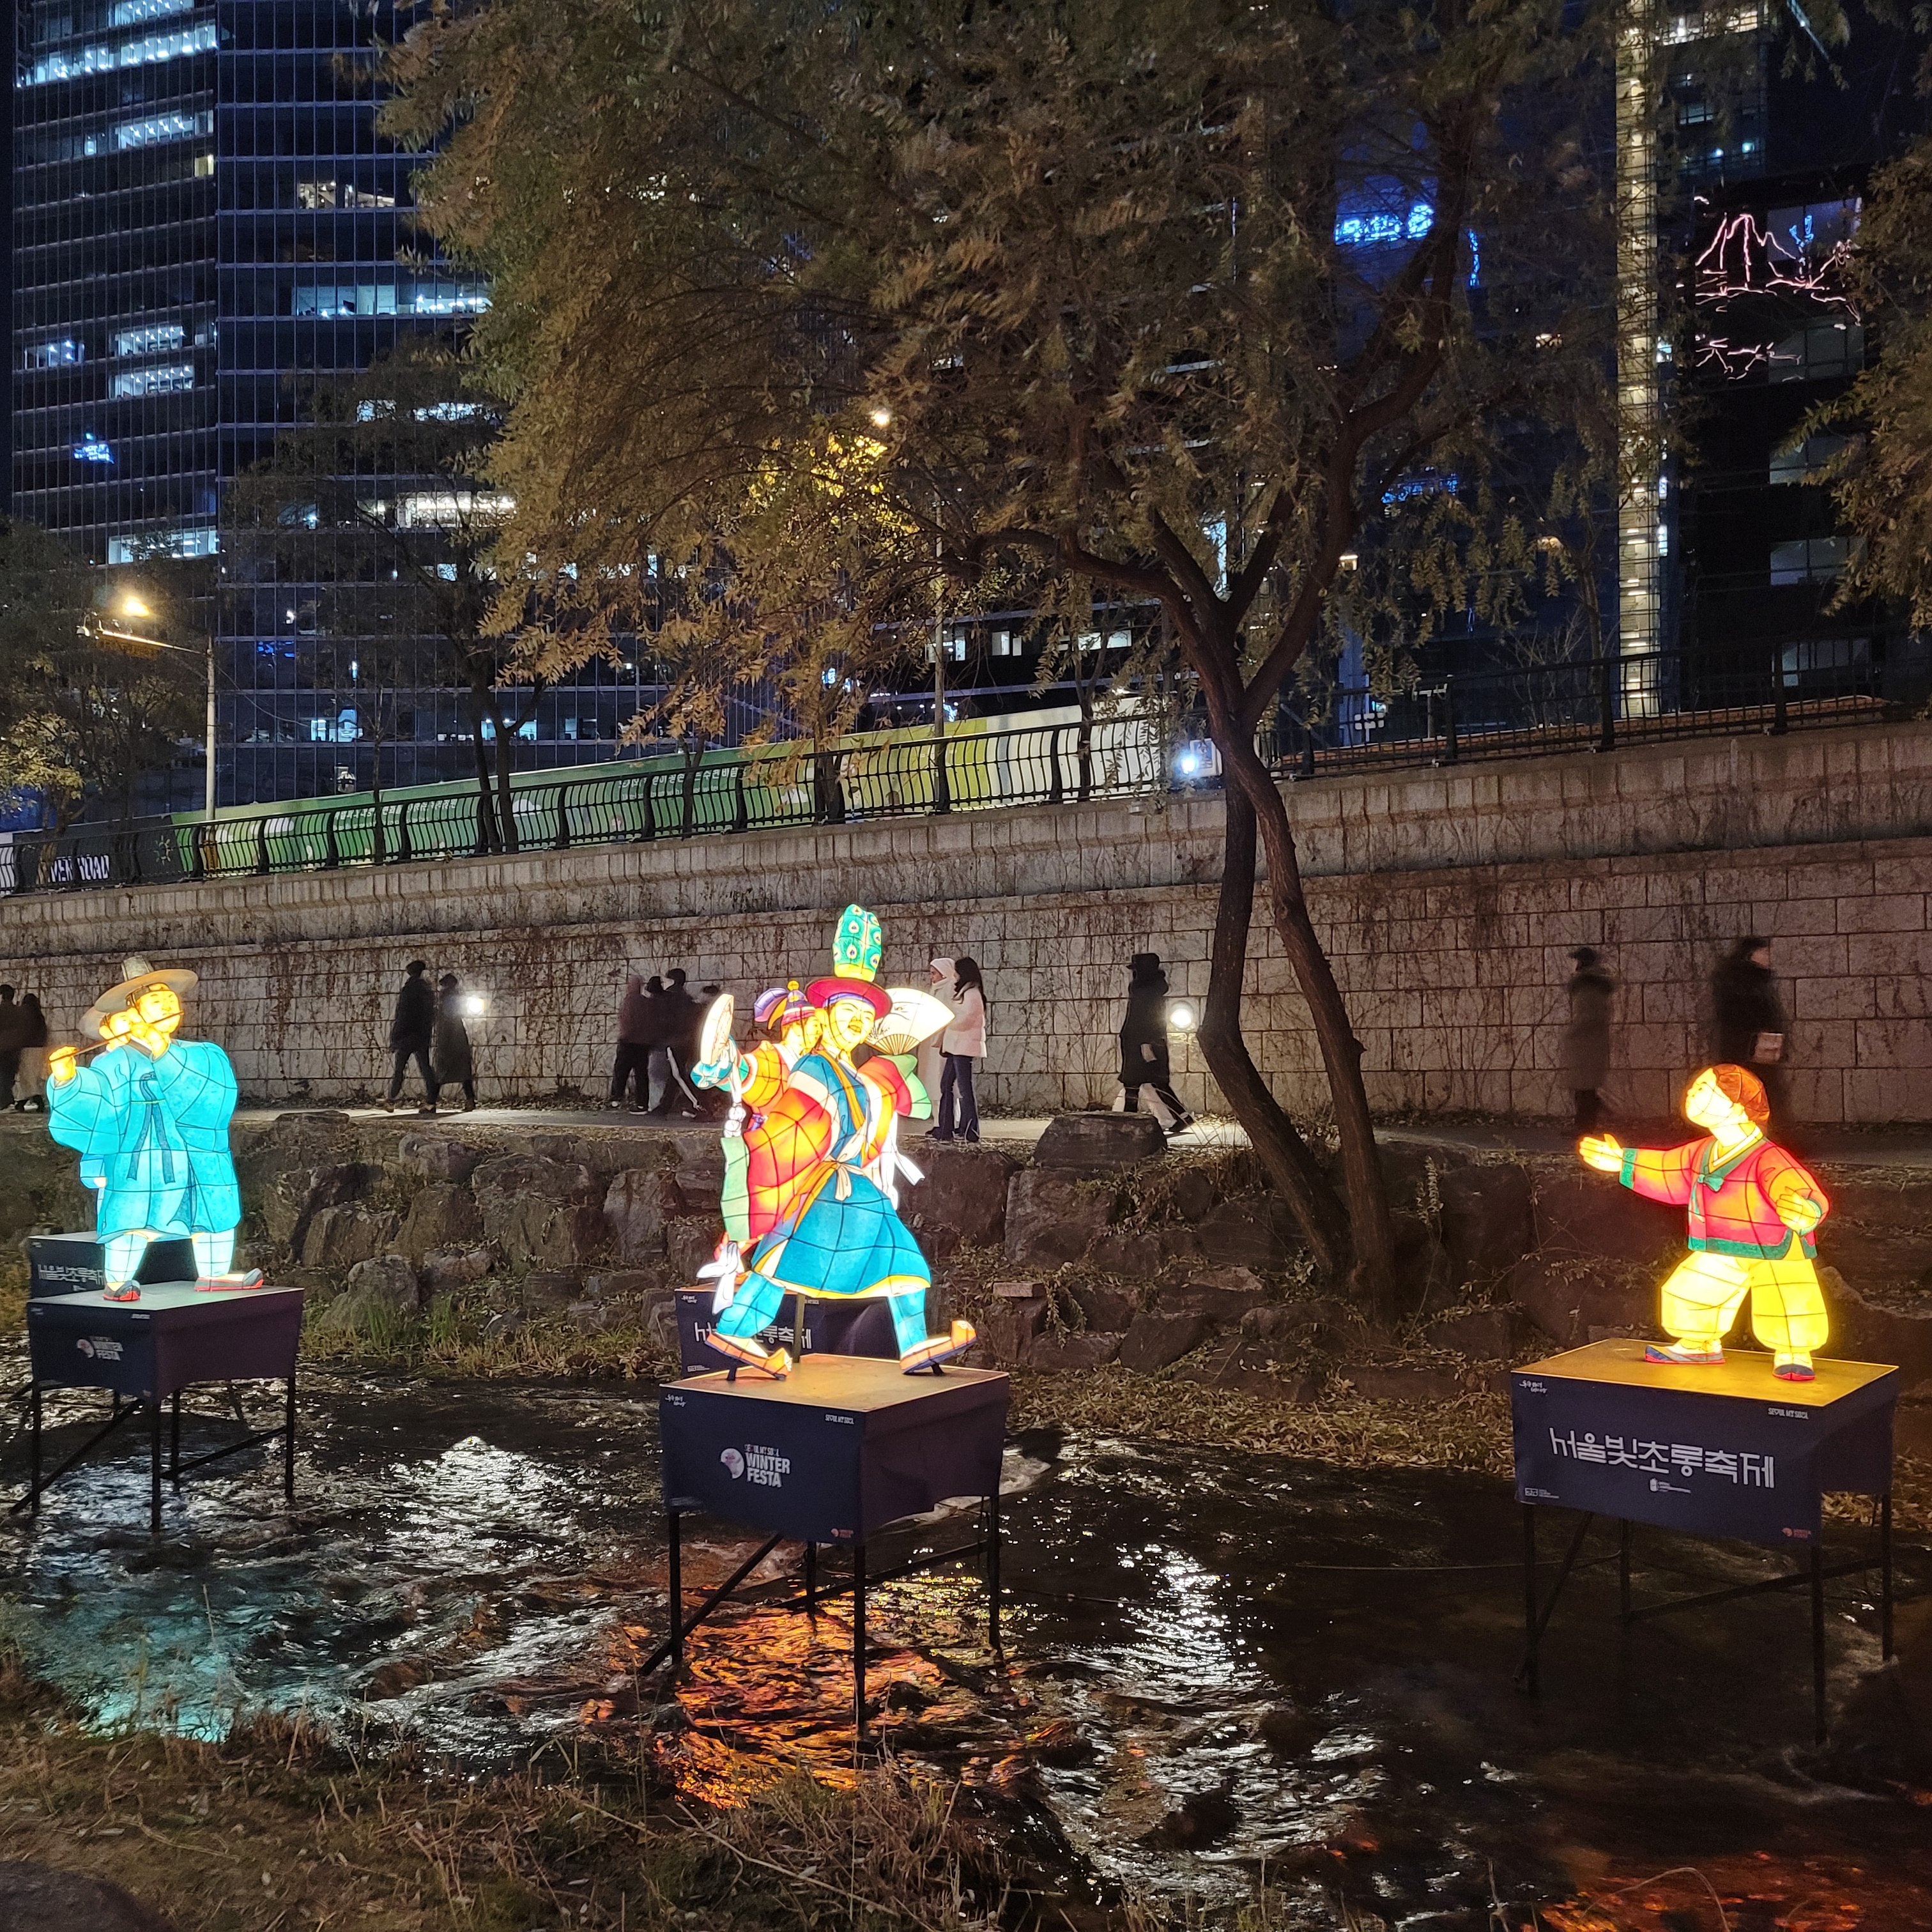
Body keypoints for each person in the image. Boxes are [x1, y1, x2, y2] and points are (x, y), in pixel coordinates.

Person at [688, 903, 974, 1378]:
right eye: (848, 1012)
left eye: (865, 1015)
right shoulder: (811, 1063)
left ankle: (914, 1345)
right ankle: (735, 1330)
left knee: (901, 1258)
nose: (857, 1021)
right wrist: (729, 1067)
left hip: (857, 1185)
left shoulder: (860, 1075)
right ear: (827, 1015)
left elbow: (887, 1117)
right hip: (820, 1185)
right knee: (781, 1262)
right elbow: (768, 1079)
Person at [1579, 1063, 1828, 1382]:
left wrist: (1806, 1210)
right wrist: (1622, 1161)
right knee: (1688, 1292)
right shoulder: (1702, 1152)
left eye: (1704, 1090)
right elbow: (1668, 1169)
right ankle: (1700, 1344)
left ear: (1738, 1107)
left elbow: (1795, 1185)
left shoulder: (1767, 1156)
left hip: (1775, 1246)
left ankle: (1794, 1353)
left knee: (1787, 1299)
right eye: (1694, 1087)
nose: (1692, 1093)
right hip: (1721, 1244)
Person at [45, 955, 261, 1300]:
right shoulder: (116, 1060)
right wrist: (67, 1080)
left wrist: (164, 1051)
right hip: (140, 1150)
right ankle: (118, 1281)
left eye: (170, 1000)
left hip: (195, 1149)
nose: (167, 1007)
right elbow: (100, 1104)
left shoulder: (204, 1054)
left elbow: (214, 1095)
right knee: (132, 1215)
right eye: (156, 1002)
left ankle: (215, 1274)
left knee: (210, 1208)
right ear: (134, 1014)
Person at [1712, 936, 1789, 1127]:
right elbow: (1738, 1016)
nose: (1768, 956)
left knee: (1763, 1092)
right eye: (1763, 952)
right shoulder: (1739, 980)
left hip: (1760, 1047)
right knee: (1750, 1093)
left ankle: (1768, 1132)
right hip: (1746, 1048)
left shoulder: (1759, 979)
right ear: (1750, 954)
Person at [1116, 953, 1193, 1133]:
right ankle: (1183, 1117)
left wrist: (1144, 1044)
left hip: (1140, 1045)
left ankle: (1130, 1121)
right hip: (1144, 1043)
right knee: (1156, 1084)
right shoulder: (1151, 990)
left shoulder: (1144, 991)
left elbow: (1143, 1020)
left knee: (1133, 1084)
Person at [929, 955, 986, 1143]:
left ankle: (970, 1128)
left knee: (964, 1088)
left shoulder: (972, 993)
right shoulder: (964, 991)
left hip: (963, 1046)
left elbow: (966, 1019)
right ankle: (947, 1127)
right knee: (947, 1084)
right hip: (955, 1045)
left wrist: (949, 1021)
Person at [1563, 947, 1615, 1133]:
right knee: (1584, 1089)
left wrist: (1571, 1033)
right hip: (1590, 1044)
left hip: (1586, 1045)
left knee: (1583, 1089)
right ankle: (1587, 1122)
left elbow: (1588, 1016)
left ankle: (1584, 1127)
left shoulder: (1587, 987)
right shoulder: (1592, 985)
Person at [384, 959, 437, 1114]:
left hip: (407, 1035)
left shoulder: (408, 990)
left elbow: (402, 1015)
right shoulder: (427, 990)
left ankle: (392, 1099)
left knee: (400, 1068)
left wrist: (395, 1038)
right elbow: (430, 1015)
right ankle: (432, 1101)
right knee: (426, 1068)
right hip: (421, 1035)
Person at [650, 967, 702, 1118]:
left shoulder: (668, 999)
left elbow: (664, 1022)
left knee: (679, 1075)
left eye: (666, 980)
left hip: (674, 1042)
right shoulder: (687, 999)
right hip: (685, 1041)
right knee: (675, 1075)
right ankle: (664, 1106)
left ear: (672, 981)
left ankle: (700, 1106)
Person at [431, 972, 477, 1111]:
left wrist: (442, 1044)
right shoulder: (457, 999)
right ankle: (470, 1100)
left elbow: (447, 1022)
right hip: (459, 1040)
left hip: (449, 1041)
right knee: (464, 1073)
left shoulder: (447, 1000)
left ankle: (431, 1103)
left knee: (440, 1073)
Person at [609, 969, 653, 1108]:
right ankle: (642, 1102)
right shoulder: (646, 1002)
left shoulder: (628, 1002)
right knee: (641, 1074)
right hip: (643, 1043)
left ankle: (616, 1098)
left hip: (628, 1042)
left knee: (621, 1071)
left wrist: (623, 1037)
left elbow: (626, 1022)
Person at [12, 993, 49, 1112]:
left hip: (27, 1048)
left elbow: (21, 1031)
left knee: (27, 1076)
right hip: (39, 1049)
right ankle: (26, 1100)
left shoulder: (24, 1013)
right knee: (33, 1076)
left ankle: (35, 1099)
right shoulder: (38, 1015)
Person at [0, 983, 22, 1108]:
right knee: (9, 1074)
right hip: (15, 1048)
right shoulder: (18, 1011)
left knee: (3, 1074)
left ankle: (5, 1099)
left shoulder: (1, 1010)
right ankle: (8, 1097)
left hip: (2, 1047)